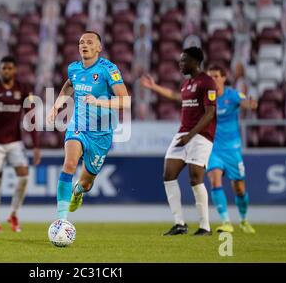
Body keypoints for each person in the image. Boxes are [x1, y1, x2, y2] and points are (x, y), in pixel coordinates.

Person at [47, 31, 130, 221]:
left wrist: (99, 102)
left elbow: (126, 102)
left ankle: (78, 191)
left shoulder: (108, 69)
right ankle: (61, 221)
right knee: (68, 164)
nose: (84, 45)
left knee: (86, 182)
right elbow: (69, 85)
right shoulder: (74, 69)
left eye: (89, 42)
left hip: (101, 133)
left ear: (99, 48)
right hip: (78, 126)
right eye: (81, 42)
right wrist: (56, 106)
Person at [141, 47, 217, 236]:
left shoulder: (207, 82)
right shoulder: (186, 84)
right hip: (183, 134)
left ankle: (205, 226)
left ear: (195, 61)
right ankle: (180, 223)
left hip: (201, 136)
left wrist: (190, 136)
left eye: (184, 60)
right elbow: (178, 97)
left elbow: (210, 113)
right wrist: (155, 87)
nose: (180, 64)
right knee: (168, 174)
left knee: (195, 178)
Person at [0, 56, 41, 233]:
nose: (6, 71)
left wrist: (36, 145)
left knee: (24, 177)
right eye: (3, 68)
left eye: (9, 68)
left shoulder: (23, 89)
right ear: (0, 70)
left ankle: (13, 214)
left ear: (14, 70)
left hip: (15, 142)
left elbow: (31, 118)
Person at [205, 65, 258, 234]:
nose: (212, 79)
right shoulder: (206, 97)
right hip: (213, 149)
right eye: (209, 76)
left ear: (223, 78)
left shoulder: (232, 95)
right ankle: (226, 221)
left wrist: (250, 105)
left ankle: (243, 220)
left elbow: (245, 103)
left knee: (239, 188)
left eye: (215, 76)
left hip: (232, 150)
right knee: (214, 179)